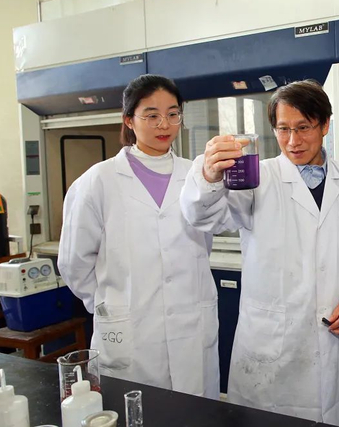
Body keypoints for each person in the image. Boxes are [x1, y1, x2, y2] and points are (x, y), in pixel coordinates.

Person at [180, 79, 339, 426]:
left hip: (331, 344)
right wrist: (209, 175)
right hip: (272, 353)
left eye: (303, 128)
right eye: (283, 129)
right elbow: (202, 217)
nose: (293, 141)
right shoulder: (255, 178)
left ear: (325, 125)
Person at [58, 74, 220, 399]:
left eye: (173, 114)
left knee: (194, 413)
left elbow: (206, 238)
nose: (164, 124)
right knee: (135, 412)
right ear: (129, 120)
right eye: (151, 115)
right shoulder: (98, 181)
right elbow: (74, 263)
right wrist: (110, 304)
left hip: (191, 324)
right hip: (130, 328)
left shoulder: (197, 176)